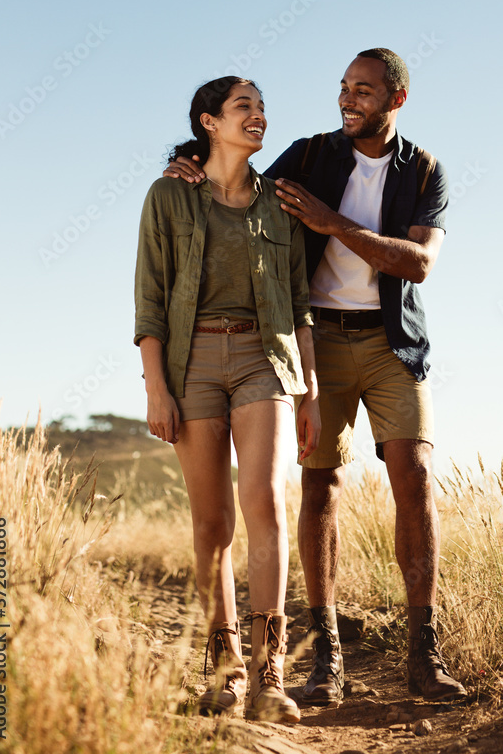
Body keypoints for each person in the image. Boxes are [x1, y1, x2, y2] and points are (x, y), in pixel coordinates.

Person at [164, 48, 467, 705]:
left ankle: (425, 654)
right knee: (320, 484)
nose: (348, 99)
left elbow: (417, 263)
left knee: (413, 475)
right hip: (316, 340)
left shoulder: (425, 171)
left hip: (394, 347)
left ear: (396, 99)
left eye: (363, 90)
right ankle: (326, 659)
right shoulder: (308, 155)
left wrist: (334, 225)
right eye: (344, 88)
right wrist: (189, 157)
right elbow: (237, 189)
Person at [135, 76, 321, 723]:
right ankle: (226, 670)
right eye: (245, 107)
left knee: (265, 502)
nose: (260, 117)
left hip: (263, 359)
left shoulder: (280, 203)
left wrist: (310, 389)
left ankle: (272, 674)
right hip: (191, 364)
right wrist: (157, 386)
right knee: (212, 523)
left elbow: (300, 303)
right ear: (209, 122)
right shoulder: (168, 196)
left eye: (264, 107)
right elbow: (149, 300)